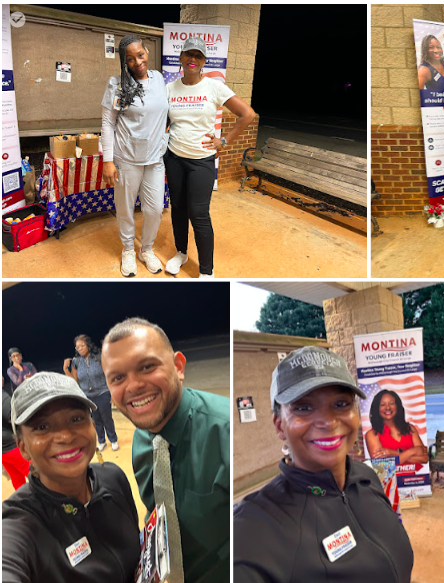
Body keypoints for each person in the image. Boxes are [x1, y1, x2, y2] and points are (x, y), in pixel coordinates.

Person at [234, 346, 415, 582]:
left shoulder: (367, 477)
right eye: (304, 407)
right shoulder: (252, 529)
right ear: (279, 425)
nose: (329, 422)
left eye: (341, 404)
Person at [100, 317, 230, 583]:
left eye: (147, 366)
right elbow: (156, 511)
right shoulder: (142, 439)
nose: (133, 386)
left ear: (178, 366)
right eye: (118, 378)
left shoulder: (226, 434)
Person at [2, 373, 141, 583]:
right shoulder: (20, 524)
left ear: (92, 425)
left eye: (76, 419)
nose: (65, 436)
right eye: (42, 427)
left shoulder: (113, 478)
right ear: (23, 448)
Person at [163, 37, 256, 278]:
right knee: (178, 209)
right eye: (189, 54)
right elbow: (163, 121)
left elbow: (247, 114)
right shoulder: (170, 88)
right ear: (181, 57)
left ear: (203, 61)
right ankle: (181, 253)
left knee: (199, 213)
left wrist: (223, 141)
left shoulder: (214, 87)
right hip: (174, 158)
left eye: (199, 56)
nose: (193, 59)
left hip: (201, 161)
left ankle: (206, 272)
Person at [101, 34, 169, 277]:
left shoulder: (159, 79)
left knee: (154, 209)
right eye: (130, 59)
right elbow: (108, 124)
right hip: (127, 158)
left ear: (146, 53)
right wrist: (108, 160)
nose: (137, 62)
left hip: (154, 158)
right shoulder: (118, 85)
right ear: (124, 61)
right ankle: (129, 250)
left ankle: (146, 248)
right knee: (126, 208)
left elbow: (165, 113)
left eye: (140, 55)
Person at [63, 334, 118, 452]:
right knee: (96, 420)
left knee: (107, 418)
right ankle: (102, 441)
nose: (80, 349)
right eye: (77, 347)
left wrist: (112, 393)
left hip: (103, 392)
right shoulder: (76, 361)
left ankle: (113, 440)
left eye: (82, 345)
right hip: (87, 396)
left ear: (88, 345)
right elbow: (74, 380)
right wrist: (65, 369)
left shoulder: (99, 357)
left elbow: (109, 375)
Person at [365, 389, 429, 463]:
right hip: (390, 475)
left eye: (391, 403)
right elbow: (382, 467)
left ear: (397, 406)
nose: (388, 407)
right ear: (377, 409)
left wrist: (392, 453)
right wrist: (413, 451)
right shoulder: (372, 434)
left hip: (413, 475)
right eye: (382, 405)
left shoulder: (410, 429)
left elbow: (424, 458)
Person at [2, 388, 31, 490]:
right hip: (11, 445)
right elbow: (13, 417)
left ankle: (24, 504)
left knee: (17, 478)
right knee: (36, 474)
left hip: (4, 450)